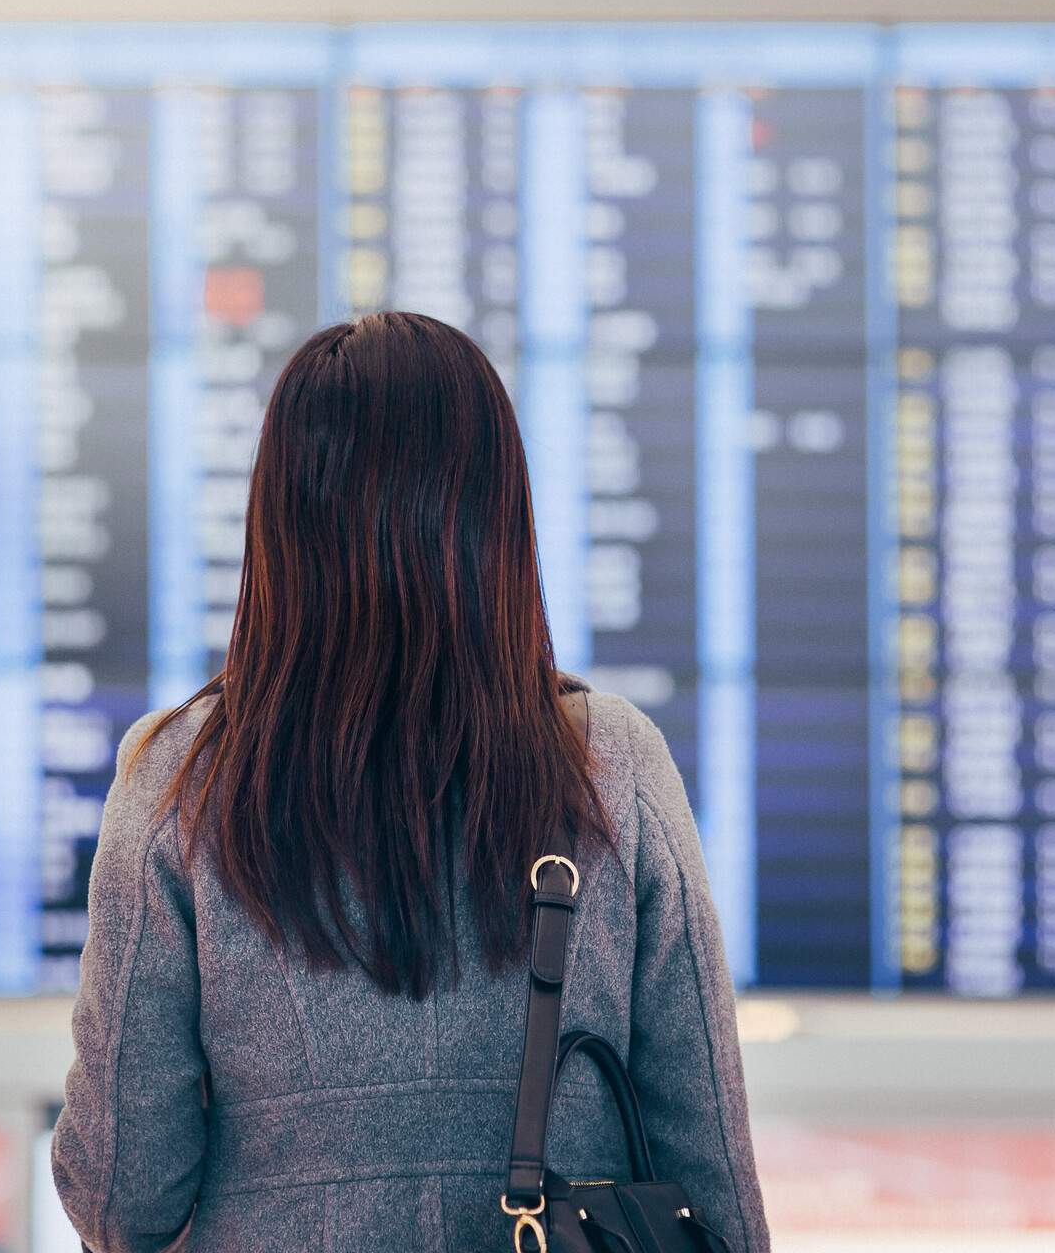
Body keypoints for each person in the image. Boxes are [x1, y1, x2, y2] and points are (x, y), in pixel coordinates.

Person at [52, 311, 771, 1251]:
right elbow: (712, 1172)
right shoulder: (612, 766)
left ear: (279, 518)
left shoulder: (180, 783)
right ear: (497, 516)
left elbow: (121, 1196)